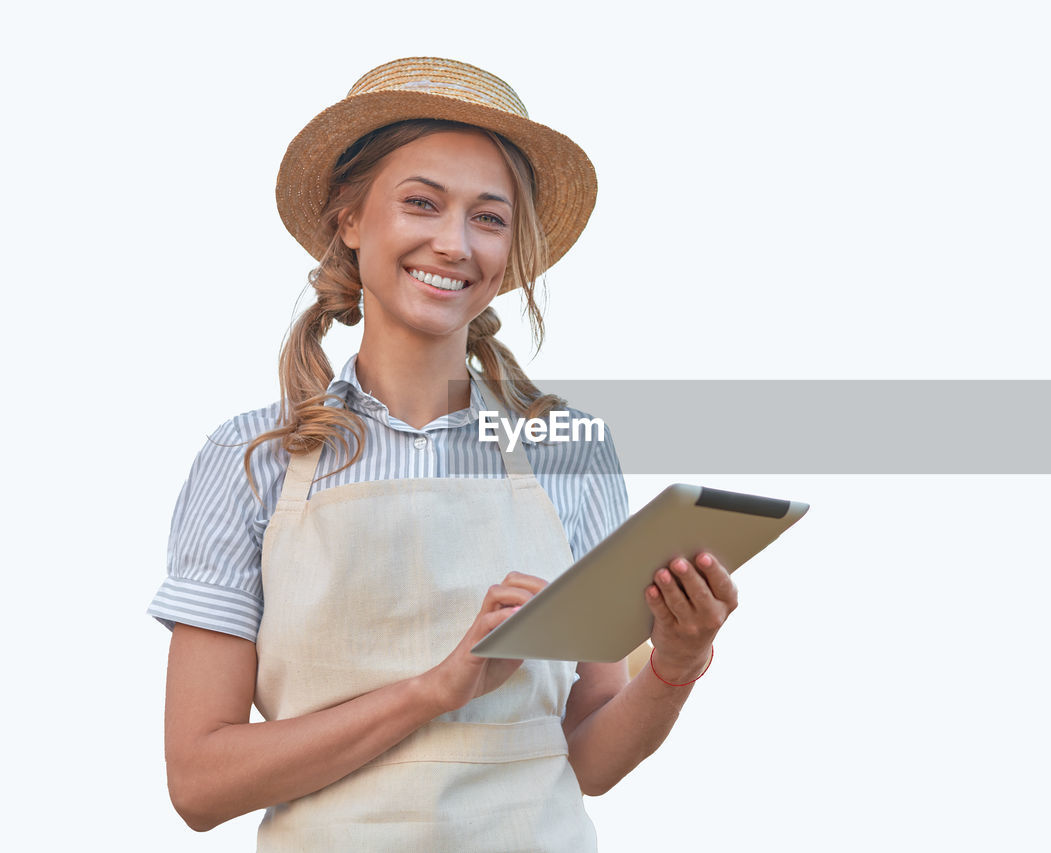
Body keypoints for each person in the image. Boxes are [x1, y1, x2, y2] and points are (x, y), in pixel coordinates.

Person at [147, 57, 738, 850]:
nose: (454, 243)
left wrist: (674, 661)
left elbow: (589, 753)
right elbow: (199, 780)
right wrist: (434, 689)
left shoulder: (570, 453)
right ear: (350, 220)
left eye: (489, 218)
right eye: (422, 203)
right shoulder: (249, 460)